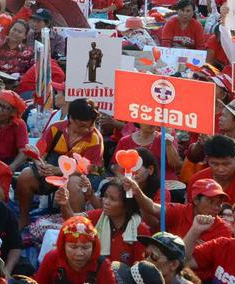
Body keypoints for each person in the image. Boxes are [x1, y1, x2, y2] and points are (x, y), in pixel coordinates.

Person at [16, 98, 103, 228]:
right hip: (53, 171)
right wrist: (40, 164)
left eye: (89, 125)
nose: (87, 129)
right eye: (81, 125)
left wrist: (58, 170)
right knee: (25, 176)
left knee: (73, 184)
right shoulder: (55, 128)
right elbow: (40, 153)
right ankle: (23, 220)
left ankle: (76, 226)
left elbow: (91, 167)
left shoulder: (95, 138)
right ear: (71, 119)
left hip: (81, 176)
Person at [57, 178, 151, 265]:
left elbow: (141, 268)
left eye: (112, 199)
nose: (106, 201)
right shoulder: (100, 215)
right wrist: (64, 204)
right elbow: (72, 220)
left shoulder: (141, 230)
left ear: (126, 206)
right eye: (105, 196)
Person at [34, 216, 115, 284]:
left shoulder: (102, 265)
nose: (79, 253)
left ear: (94, 247)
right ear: (63, 246)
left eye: (85, 247)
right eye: (73, 247)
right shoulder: (51, 259)